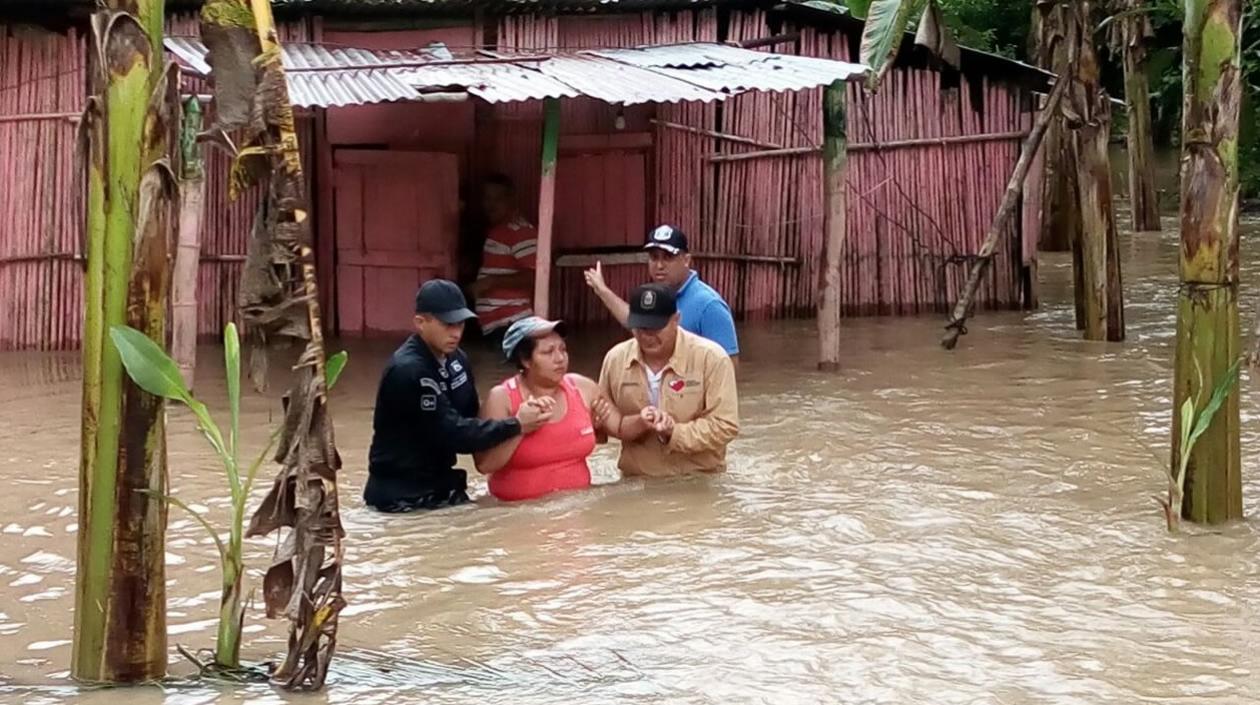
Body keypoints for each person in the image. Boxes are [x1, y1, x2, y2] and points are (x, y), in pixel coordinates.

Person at [364, 279, 555, 512]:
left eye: (461, 324)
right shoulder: (408, 371)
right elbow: (455, 434)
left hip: (443, 487)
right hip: (403, 497)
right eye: (447, 325)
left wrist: (519, 407)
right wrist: (516, 424)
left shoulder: (457, 360)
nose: (456, 333)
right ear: (420, 323)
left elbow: (472, 416)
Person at [597, 283, 739, 477]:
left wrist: (674, 433)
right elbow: (603, 424)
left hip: (698, 481)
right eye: (641, 327)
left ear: (676, 320)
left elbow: (725, 425)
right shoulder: (615, 360)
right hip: (636, 481)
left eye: (656, 327)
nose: (647, 336)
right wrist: (636, 423)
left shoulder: (712, 358)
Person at [474, 317, 620, 502]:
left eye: (562, 349)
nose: (560, 358)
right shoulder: (502, 398)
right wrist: (520, 426)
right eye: (548, 352)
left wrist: (601, 428)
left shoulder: (583, 387)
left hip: (579, 510)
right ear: (525, 360)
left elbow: (614, 431)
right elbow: (485, 465)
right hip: (519, 514)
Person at [584, 224, 740, 362]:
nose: (659, 265)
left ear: (686, 260)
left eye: (668, 258)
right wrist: (602, 291)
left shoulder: (709, 306)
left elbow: (729, 367)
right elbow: (634, 322)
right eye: (654, 257)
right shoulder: (656, 295)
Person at [470, 174, 537, 342]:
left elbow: (536, 277)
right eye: (487, 199)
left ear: (511, 200)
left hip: (511, 324)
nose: (491, 205)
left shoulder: (519, 231)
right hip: (499, 325)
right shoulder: (498, 231)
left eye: (498, 199)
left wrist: (492, 282)